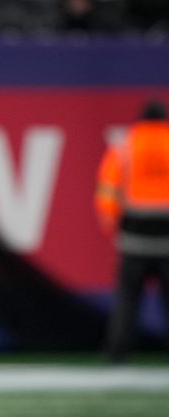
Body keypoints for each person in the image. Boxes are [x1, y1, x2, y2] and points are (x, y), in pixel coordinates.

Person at [95, 99, 169, 363]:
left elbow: (107, 190)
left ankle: (117, 353)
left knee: (127, 301)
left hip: (135, 238)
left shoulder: (126, 146)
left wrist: (110, 222)